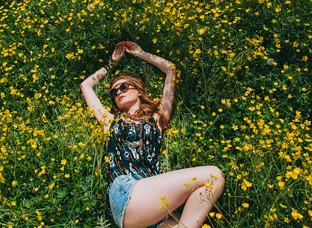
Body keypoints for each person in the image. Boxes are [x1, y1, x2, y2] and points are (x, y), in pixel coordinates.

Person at [80, 41, 225, 228]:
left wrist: (141, 53)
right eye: (114, 92)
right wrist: (112, 63)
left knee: (211, 185)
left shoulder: (157, 119)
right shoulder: (110, 122)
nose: (118, 92)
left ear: (139, 91)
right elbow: (86, 86)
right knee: (213, 175)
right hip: (125, 191)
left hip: (152, 205)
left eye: (123, 87)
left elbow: (171, 70)